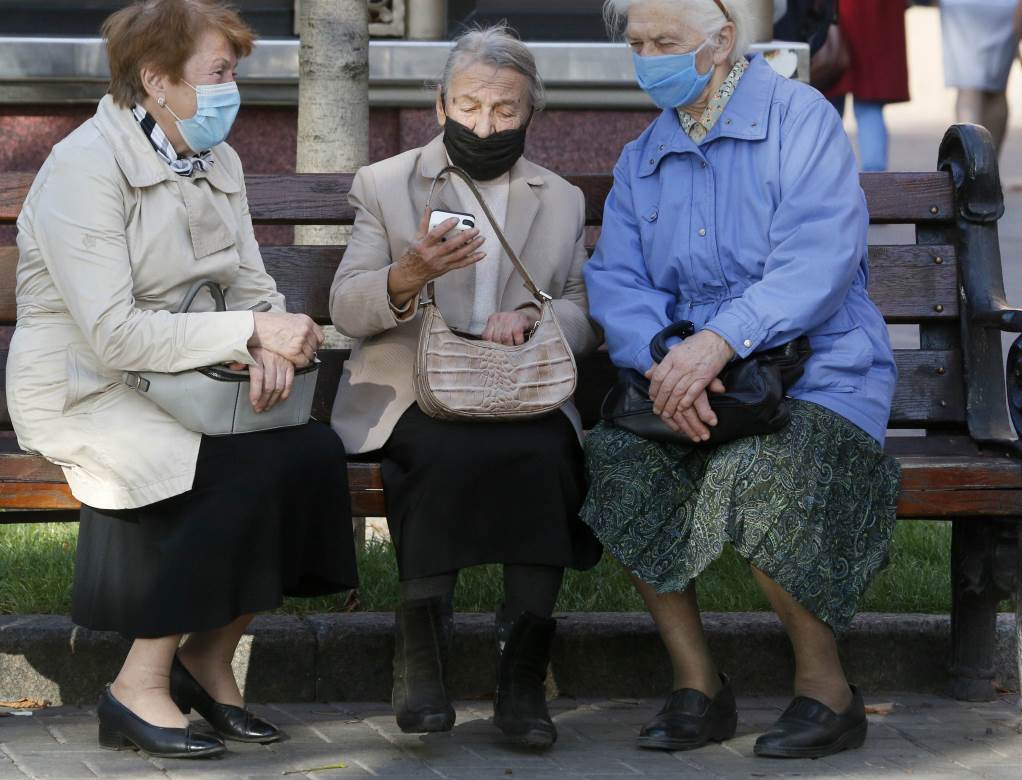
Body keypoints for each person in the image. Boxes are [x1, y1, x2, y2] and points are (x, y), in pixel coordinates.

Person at [7, 0, 357, 759]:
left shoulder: (214, 160)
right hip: (87, 385)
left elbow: (251, 283)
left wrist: (268, 341)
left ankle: (206, 655)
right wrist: (248, 332)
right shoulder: (83, 168)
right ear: (156, 80)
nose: (234, 89)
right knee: (221, 471)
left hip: (192, 376)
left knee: (310, 456)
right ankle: (137, 686)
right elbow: (112, 332)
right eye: (220, 73)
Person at [582, 0, 901, 759]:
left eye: (666, 41)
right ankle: (699, 686)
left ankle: (827, 691)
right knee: (621, 462)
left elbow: (818, 260)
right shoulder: (644, 156)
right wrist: (668, 361)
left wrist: (719, 342)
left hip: (820, 371)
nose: (648, 56)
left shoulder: (801, 120)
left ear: (722, 41)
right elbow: (617, 280)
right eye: (638, 43)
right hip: (689, 381)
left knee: (760, 473)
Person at [329, 24, 601, 749]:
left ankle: (522, 678)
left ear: (530, 114)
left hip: (522, 388)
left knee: (547, 455)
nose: (485, 124)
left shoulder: (561, 197)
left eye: (505, 111)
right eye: (470, 106)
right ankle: (422, 665)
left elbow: (580, 309)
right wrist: (407, 274)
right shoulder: (386, 184)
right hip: (416, 387)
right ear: (440, 104)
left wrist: (536, 319)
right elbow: (348, 306)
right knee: (439, 452)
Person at [940, 0, 1022, 154]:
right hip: (1008, 7)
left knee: (969, 89)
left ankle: (972, 165)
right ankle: (988, 167)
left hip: (962, 6)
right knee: (996, 89)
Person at [825, 0, 909, 172]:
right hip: (877, 15)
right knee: (869, 105)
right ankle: (875, 182)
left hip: (836, 13)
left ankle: (825, 175)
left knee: (827, 105)